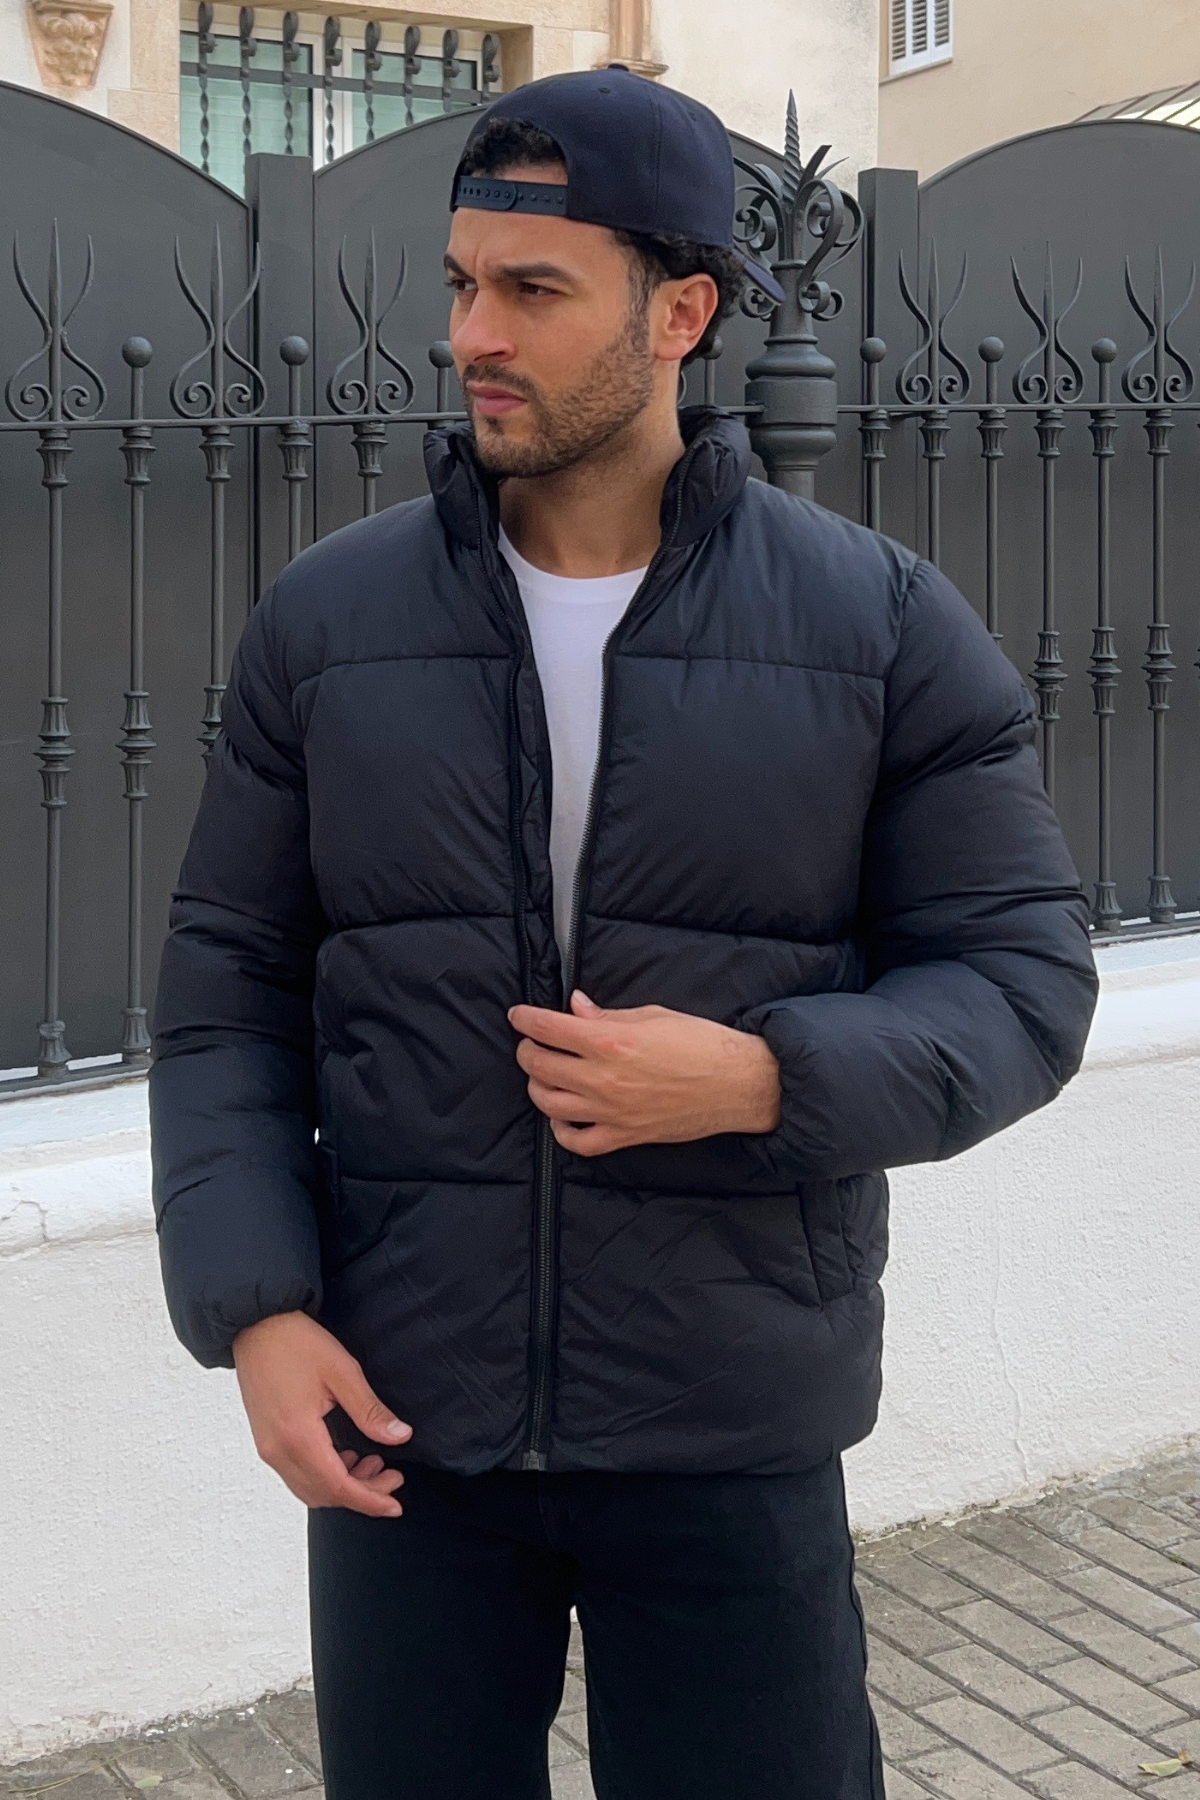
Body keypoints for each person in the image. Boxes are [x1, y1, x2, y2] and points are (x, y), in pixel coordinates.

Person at [150, 66, 1098, 1800]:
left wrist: (766, 1079)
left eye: (534, 289)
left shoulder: (878, 624)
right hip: (406, 1425)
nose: (472, 335)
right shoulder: (327, 622)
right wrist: (259, 1313)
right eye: (462, 282)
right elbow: (226, 993)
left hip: (732, 1419)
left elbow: (1025, 981)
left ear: (682, 313)